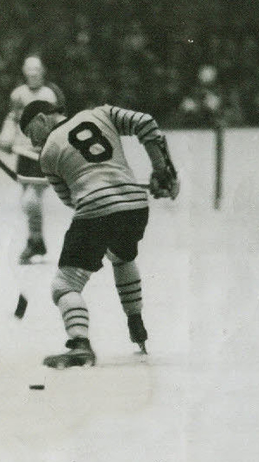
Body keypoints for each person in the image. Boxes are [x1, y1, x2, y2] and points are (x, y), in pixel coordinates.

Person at [17, 100, 179, 367]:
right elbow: (147, 122)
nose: (34, 142)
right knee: (122, 257)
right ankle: (136, 325)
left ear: (42, 119)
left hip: (95, 210)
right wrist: (162, 171)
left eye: (31, 133)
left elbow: (71, 200)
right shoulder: (101, 113)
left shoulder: (47, 154)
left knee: (65, 285)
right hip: (135, 206)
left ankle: (80, 344)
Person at [0, 55, 66, 264]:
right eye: (29, 69)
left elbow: (59, 120)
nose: (33, 73)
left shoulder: (50, 94)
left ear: (43, 71)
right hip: (24, 153)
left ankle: (34, 241)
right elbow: (13, 117)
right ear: (24, 71)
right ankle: (36, 241)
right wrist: (6, 136)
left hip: (41, 153)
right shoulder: (18, 94)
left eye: (37, 68)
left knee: (31, 198)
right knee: (28, 199)